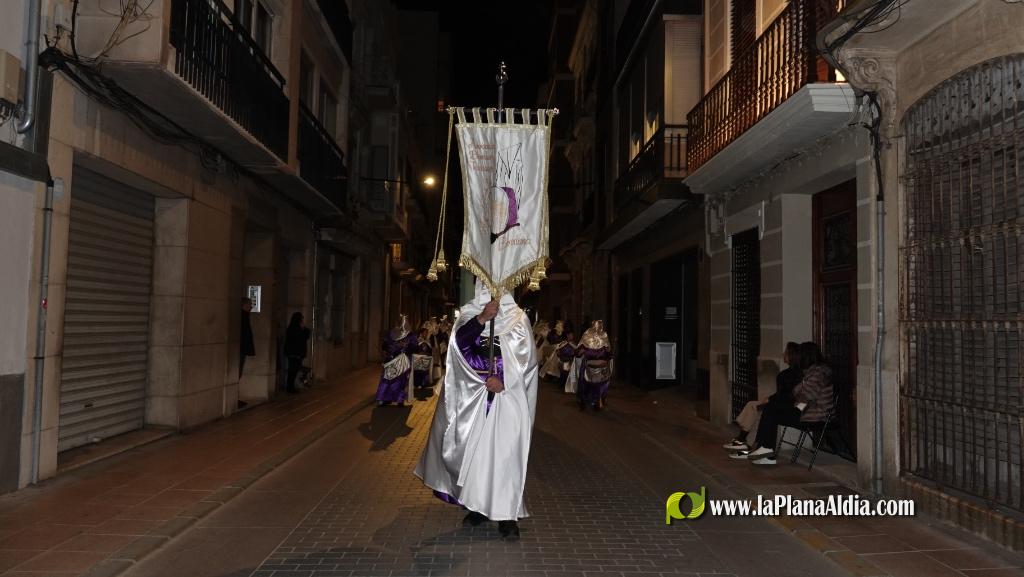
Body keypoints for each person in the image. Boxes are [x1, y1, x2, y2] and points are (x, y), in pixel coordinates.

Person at [414, 281, 538, 540]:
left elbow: (527, 361)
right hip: (475, 396)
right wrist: (481, 319)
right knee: (477, 457)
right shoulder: (469, 315)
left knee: (505, 458)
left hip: (506, 398)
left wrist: (504, 381)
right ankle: (479, 507)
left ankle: (506, 516)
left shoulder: (518, 319)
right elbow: (459, 348)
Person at [734, 341, 834, 465]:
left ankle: (761, 449)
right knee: (770, 409)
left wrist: (795, 396)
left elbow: (805, 395)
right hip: (807, 410)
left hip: (815, 415)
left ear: (806, 356)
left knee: (770, 409)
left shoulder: (819, 372)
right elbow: (800, 394)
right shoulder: (812, 371)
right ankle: (763, 449)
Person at [724, 342, 802, 452]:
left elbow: (785, 395)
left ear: (791, 355)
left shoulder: (787, 375)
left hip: (784, 406)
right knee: (752, 404)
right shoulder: (793, 373)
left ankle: (746, 442)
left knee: (758, 409)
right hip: (784, 404)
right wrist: (769, 399)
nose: (783, 354)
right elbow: (785, 394)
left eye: (786, 352)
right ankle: (742, 438)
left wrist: (769, 400)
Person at [376, 315, 416, 406]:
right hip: (391, 361)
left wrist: (405, 347)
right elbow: (385, 346)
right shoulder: (392, 333)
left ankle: (399, 399)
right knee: (388, 379)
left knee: (400, 382)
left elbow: (414, 347)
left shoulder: (411, 335)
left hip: (403, 362)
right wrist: (394, 349)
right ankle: (386, 398)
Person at [575, 320, 612, 410]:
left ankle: (597, 401)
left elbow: (609, 354)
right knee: (584, 382)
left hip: (601, 368)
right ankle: (584, 401)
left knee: (601, 384)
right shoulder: (586, 337)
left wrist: (608, 352)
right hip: (588, 366)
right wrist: (581, 351)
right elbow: (577, 353)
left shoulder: (605, 337)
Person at [283, 312, 310, 394]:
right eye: (302, 319)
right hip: (295, 353)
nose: (303, 320)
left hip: (295, 353)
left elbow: (306, 335)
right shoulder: (294, 329)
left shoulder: (293, 328)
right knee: (293, 370)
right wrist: (303, 328)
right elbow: (302, 338)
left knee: (294, 370)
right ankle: (290, 388)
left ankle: (291, 387)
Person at [240, 297, 255, 379]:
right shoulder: (243, 317)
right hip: (242, 348)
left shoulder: (245, 316)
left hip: (242, 348)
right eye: (250, 305)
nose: (251, 307)